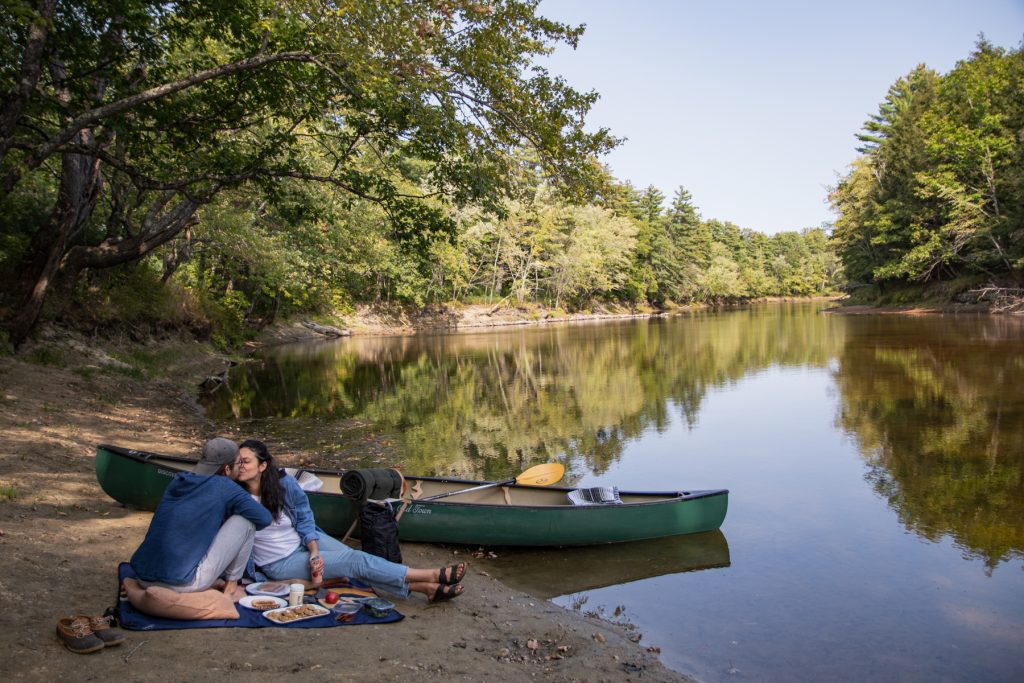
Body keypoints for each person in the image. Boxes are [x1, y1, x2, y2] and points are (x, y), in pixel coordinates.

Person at [233, 439, 465, 602]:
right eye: (237, 462)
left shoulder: (284, 485)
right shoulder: (233, 495)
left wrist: (314, 550)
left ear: (262, 466)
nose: (240, 467)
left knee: (356, 566)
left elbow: (304, 519)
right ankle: (430, 575)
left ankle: (426, 589)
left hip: (303, 542)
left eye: (246, 462)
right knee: (356, 561)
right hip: (279, 562)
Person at [130, 438, 272, 595]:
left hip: (143, 577)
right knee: (245, 522)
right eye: (239, 463)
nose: (241, 468)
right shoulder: (224, 486)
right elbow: (264, 518)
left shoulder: (178, 480)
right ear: (227, 469)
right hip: (181, 584)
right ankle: (231, 588)